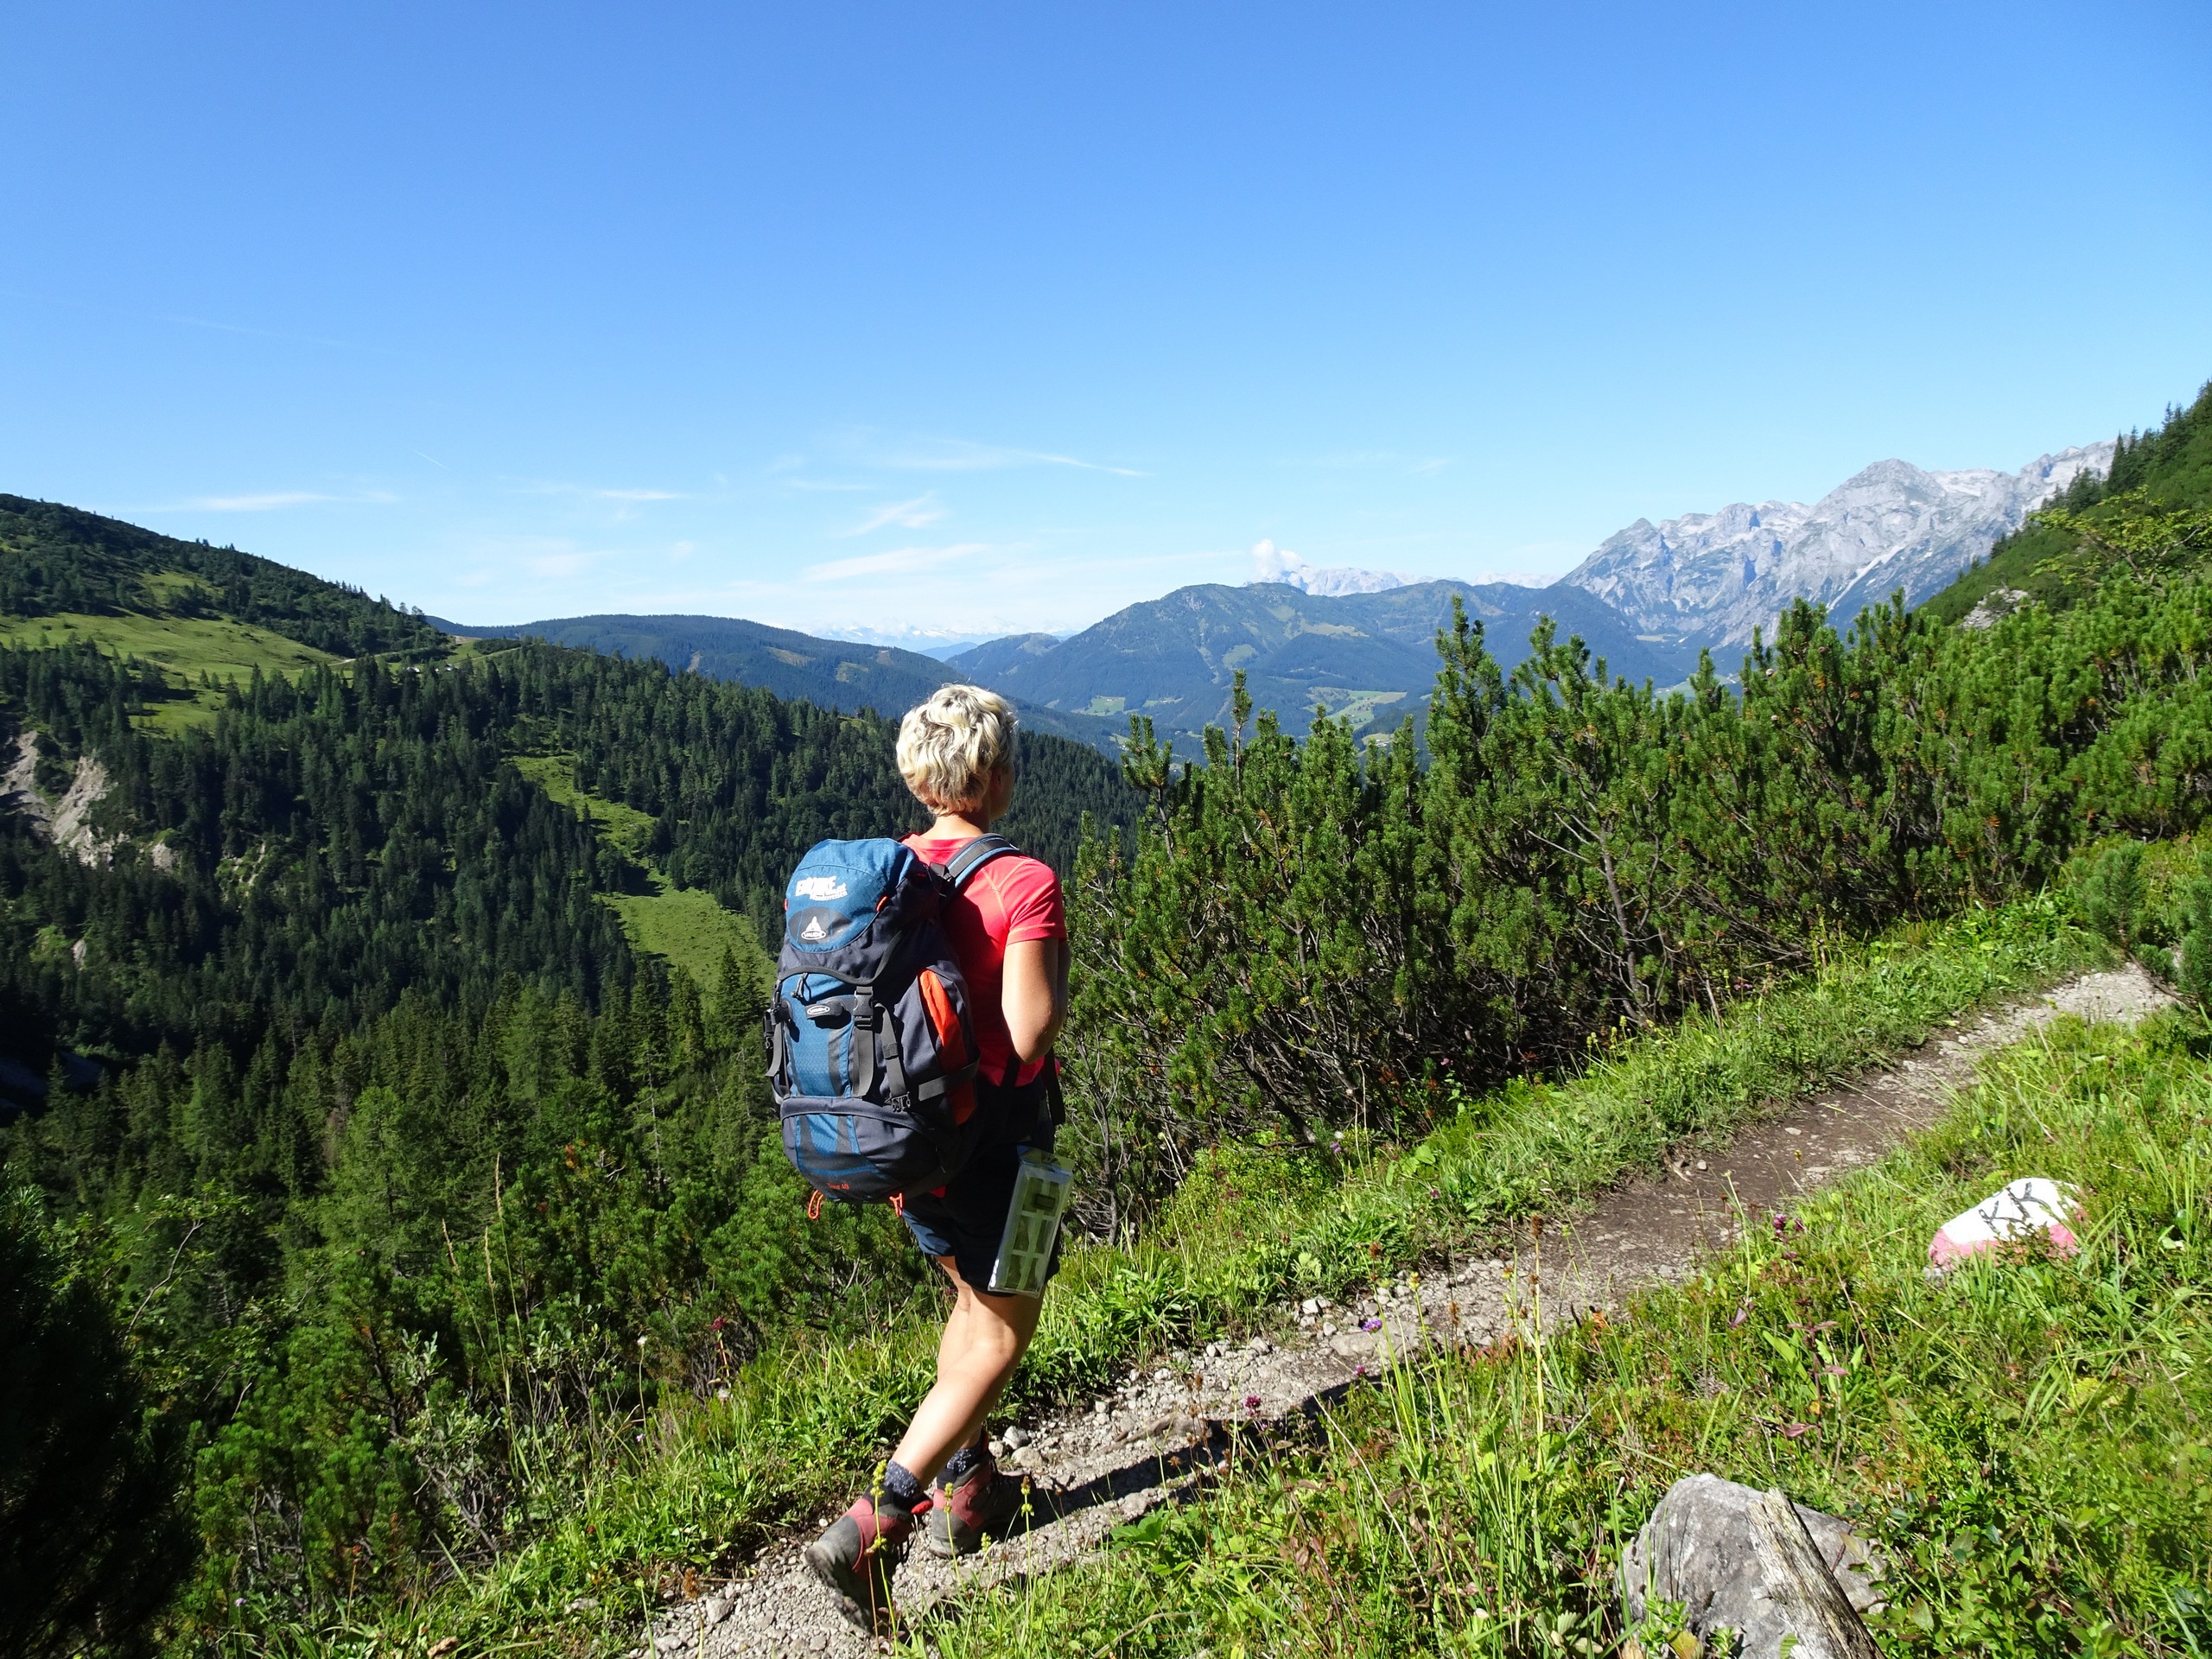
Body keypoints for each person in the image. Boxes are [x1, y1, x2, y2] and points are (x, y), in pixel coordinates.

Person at [804, 683, 1071, 1630]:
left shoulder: (885, 878)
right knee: (1001, 1333)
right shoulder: (1023, 880)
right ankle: (877, 1522)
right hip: (1000, 1142)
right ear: (993, 773)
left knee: (967, 1302)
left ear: (918, 773)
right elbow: (1029, 1036)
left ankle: (974, 1489)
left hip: (910, 1143)